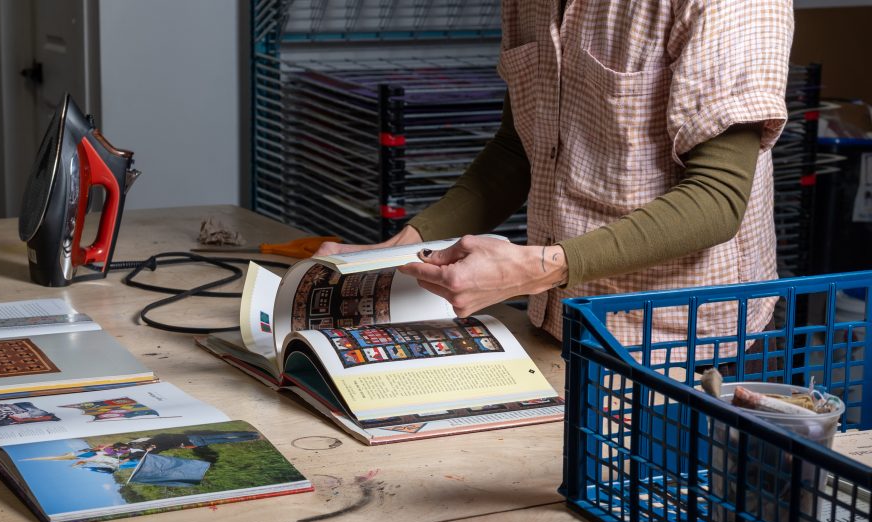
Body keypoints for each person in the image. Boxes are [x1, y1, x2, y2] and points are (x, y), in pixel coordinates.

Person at [316, 0, 794, 347]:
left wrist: (531, 270)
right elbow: (519, 149)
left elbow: (717, 199)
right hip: (557, 319)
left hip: (682, 342)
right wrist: (401, 248)